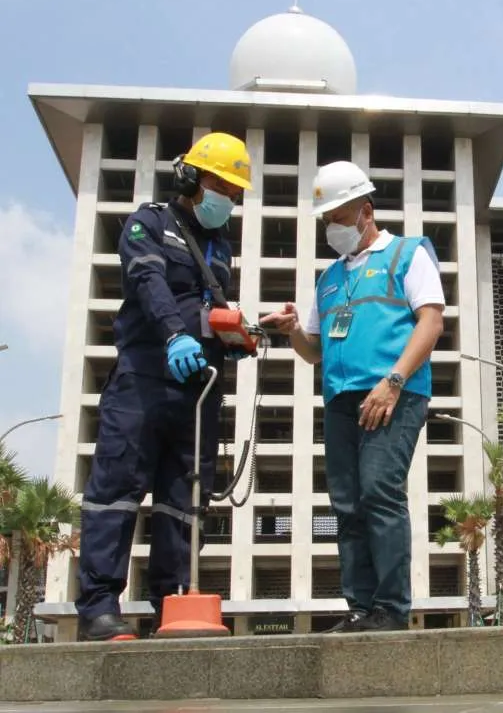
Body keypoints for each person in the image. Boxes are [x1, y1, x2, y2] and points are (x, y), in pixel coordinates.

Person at [76, 132, 253, 641]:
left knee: (184, 501)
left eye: (236, 192)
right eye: (223, 185)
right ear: (191, 178)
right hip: (143, 383)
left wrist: (238, 334)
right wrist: (175, 334)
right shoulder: (148, 223)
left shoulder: (220, 245)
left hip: (198, 390)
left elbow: (209, 307)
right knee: (116, 492)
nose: (229, 199)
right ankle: (99, 608)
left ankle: (173, 604)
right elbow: (148, 283)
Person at [261, 160, 444, 633]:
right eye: (326, 220)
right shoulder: (329, 278)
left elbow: (431, 322)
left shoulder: (407, 253)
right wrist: (293, 330)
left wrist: (395, 381)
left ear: (366, 210)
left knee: (380, 490)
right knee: (347, 502)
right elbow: (314, 352)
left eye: (338, 217)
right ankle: (362, 608)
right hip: (341, 400)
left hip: (393, 393)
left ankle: (391, 609)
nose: (331, 228)